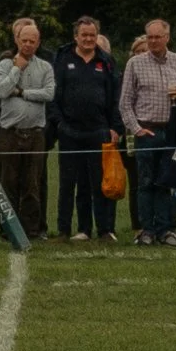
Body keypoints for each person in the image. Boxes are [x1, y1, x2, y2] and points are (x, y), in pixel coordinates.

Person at [119, 18, 176, 246]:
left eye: (157, 37)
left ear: (167, 38)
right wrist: (136, 129)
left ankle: (167, 229)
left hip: (171, 132)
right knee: (145, 182)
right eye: (149, 37)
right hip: (147, 131)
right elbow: (125, 102)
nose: (153, 41)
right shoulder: (135, 64)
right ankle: (146, 230)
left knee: (167, 181)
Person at [49, 18, 118, 243]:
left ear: (97, 36)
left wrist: (114, 127)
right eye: (84, 35)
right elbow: (54, 95)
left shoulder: (106, 61)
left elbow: (114, 97)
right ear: (75, 36)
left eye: (92, 35)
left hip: (98, 131)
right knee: (69, 183)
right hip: (69, 131)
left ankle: (104, 229)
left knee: (99, 183)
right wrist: (59, 124)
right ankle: (65, 230)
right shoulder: (63, 59)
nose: (88, 39)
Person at [0, 18, 55, 239]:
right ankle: (7, 229)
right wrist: (16, 70)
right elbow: (1, 90)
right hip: (10, 133)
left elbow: (48, 94)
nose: (28, 44)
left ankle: (32, 230)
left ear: (38, 43)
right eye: (24, 40)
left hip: (36, 134)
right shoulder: (5, 65)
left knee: (32, 185)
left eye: (32, 41)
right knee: (8, 184)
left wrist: (22, 92)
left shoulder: (45, 67)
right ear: (17, 40)